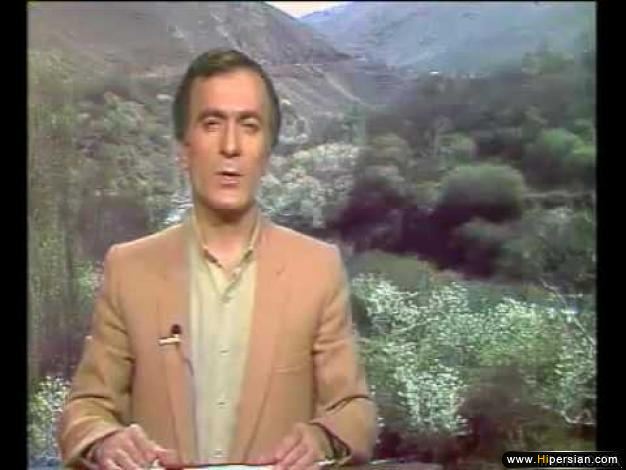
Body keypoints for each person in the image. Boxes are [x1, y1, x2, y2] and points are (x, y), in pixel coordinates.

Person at [57, 48, 377, 470]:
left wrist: (322, 437)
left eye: (249, 126)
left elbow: (355, 410)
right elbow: (86, 409)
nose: (230, 146)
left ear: (267, 150)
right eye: (212, 124)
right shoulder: (129, 268)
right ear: (184, 149)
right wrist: (105, 440)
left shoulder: (317, 268)